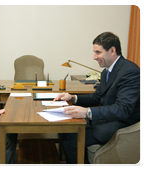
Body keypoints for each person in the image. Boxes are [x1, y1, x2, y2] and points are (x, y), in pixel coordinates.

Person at [54, 32, 142, 165]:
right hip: (108, 118)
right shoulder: (107, 71)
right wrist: (72, 97)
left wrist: (87, 112)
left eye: (98, 52)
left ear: (112, 50)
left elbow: (123, 109)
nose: (94, 57)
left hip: (123, 123)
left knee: (71, 139)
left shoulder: (130, 71)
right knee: (65, 129)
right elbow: (97, 97)